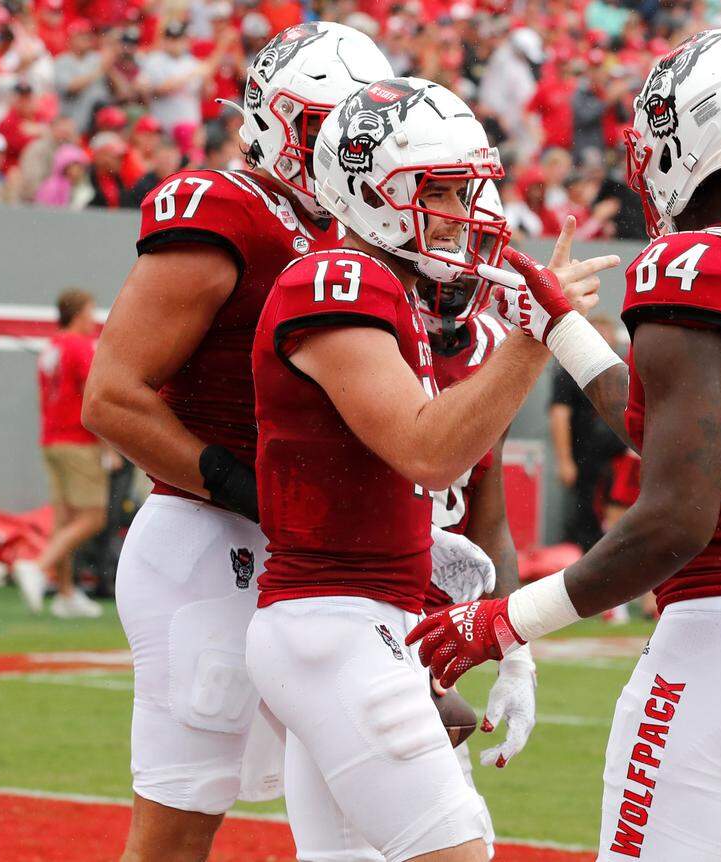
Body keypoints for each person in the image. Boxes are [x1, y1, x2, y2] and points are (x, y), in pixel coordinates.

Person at [409, 30, 721, 861]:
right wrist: (564, 331)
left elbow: (677, 519)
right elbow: (672, 429)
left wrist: (507, 619)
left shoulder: (692, 264)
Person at [244, 76, 617, 862]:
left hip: (359, 623)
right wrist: (538, 335)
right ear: (368, 189)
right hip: (334, 625)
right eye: (441, 191)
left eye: (468, 189)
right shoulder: (336, 279)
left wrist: (503, 644)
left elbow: (451, 496)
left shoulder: (395, 296)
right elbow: (429, 449)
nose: (464, 213)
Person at [82, 24, 394, 862]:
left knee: (370, 806)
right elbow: (111, 397)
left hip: (318, 550)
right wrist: (249, 488)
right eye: (327, 132)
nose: (347, 156)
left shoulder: (350, 231)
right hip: (213, 540)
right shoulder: (223, 213)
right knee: (181, 827)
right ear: (278, 121)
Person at [12, 289, 107, 619]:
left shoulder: (51, 346)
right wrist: (109, 446)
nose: (92, 319)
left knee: (64, 519)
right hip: (77, 442)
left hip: (51, 439)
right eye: (89, 311)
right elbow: (94, 396)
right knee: (94, 517)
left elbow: (45, 397)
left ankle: (65, 594)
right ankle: (38, 566)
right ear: (78, 313)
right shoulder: (79, 346)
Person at [548, 314, 626, 550]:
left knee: (620, 513)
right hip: (585, 460)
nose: (602, 338)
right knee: (587, 518)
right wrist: (564, 461)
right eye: (596, 333)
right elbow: (559, 416)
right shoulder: (569, 372)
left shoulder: (624, 372)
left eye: (606, 333)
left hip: (620, 458)